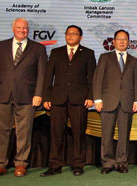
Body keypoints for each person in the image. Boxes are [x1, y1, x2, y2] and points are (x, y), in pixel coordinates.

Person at [0, 18, 47, 178]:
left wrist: (39, 93)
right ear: (13, 28)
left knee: (24, 132)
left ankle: (21, 163)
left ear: (28, 30)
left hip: (27, 95)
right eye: (19, 27)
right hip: (2, 95)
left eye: (25, 28)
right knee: (1, 131)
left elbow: (42, 74)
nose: (22, 30)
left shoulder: (38, 48)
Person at [40, 25, 96, 177]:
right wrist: (46, 97)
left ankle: (78, 164)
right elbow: (48, 76)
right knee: (56, 133)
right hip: (57, 99)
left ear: (81, 37)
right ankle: (54, 165)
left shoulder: (88, 53)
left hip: (79, 99)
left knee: (79, 134)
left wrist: (91, 96)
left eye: (74, 34)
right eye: (68, 33)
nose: (70, 36)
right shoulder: (56, 52)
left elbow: (92, 78)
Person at [93, 29, 137, 173]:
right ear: (113, 42)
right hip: (107, 101)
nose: (121, 41)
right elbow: (97, 80)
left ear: (128, 42)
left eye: (125, 39)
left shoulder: (133, 60)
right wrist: (97, 99)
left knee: (124, 135)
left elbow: (136, 82)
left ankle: (122, 163)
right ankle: (107, 163)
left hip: (127, 102)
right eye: (119, 39)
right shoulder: (104, 57)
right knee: (106, 135)